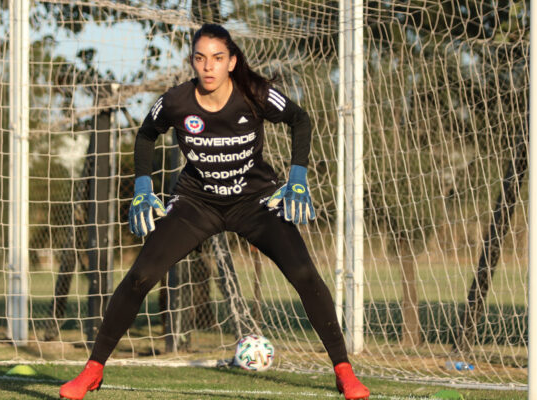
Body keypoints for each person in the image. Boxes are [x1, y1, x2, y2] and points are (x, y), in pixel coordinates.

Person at [59, 23, 370, 400]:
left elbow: (299, 120)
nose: (208, 67)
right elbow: (145, 134)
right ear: (193, 61)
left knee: (304, 273)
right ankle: (92, 372)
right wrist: (143, 187)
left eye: (218, 58)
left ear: (231, 62)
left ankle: (344, 372)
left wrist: (298, 178)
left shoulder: (254, 93)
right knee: (141, 275)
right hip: (196, 204)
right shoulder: (176, 101)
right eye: (201, 58)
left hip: (254, 203)